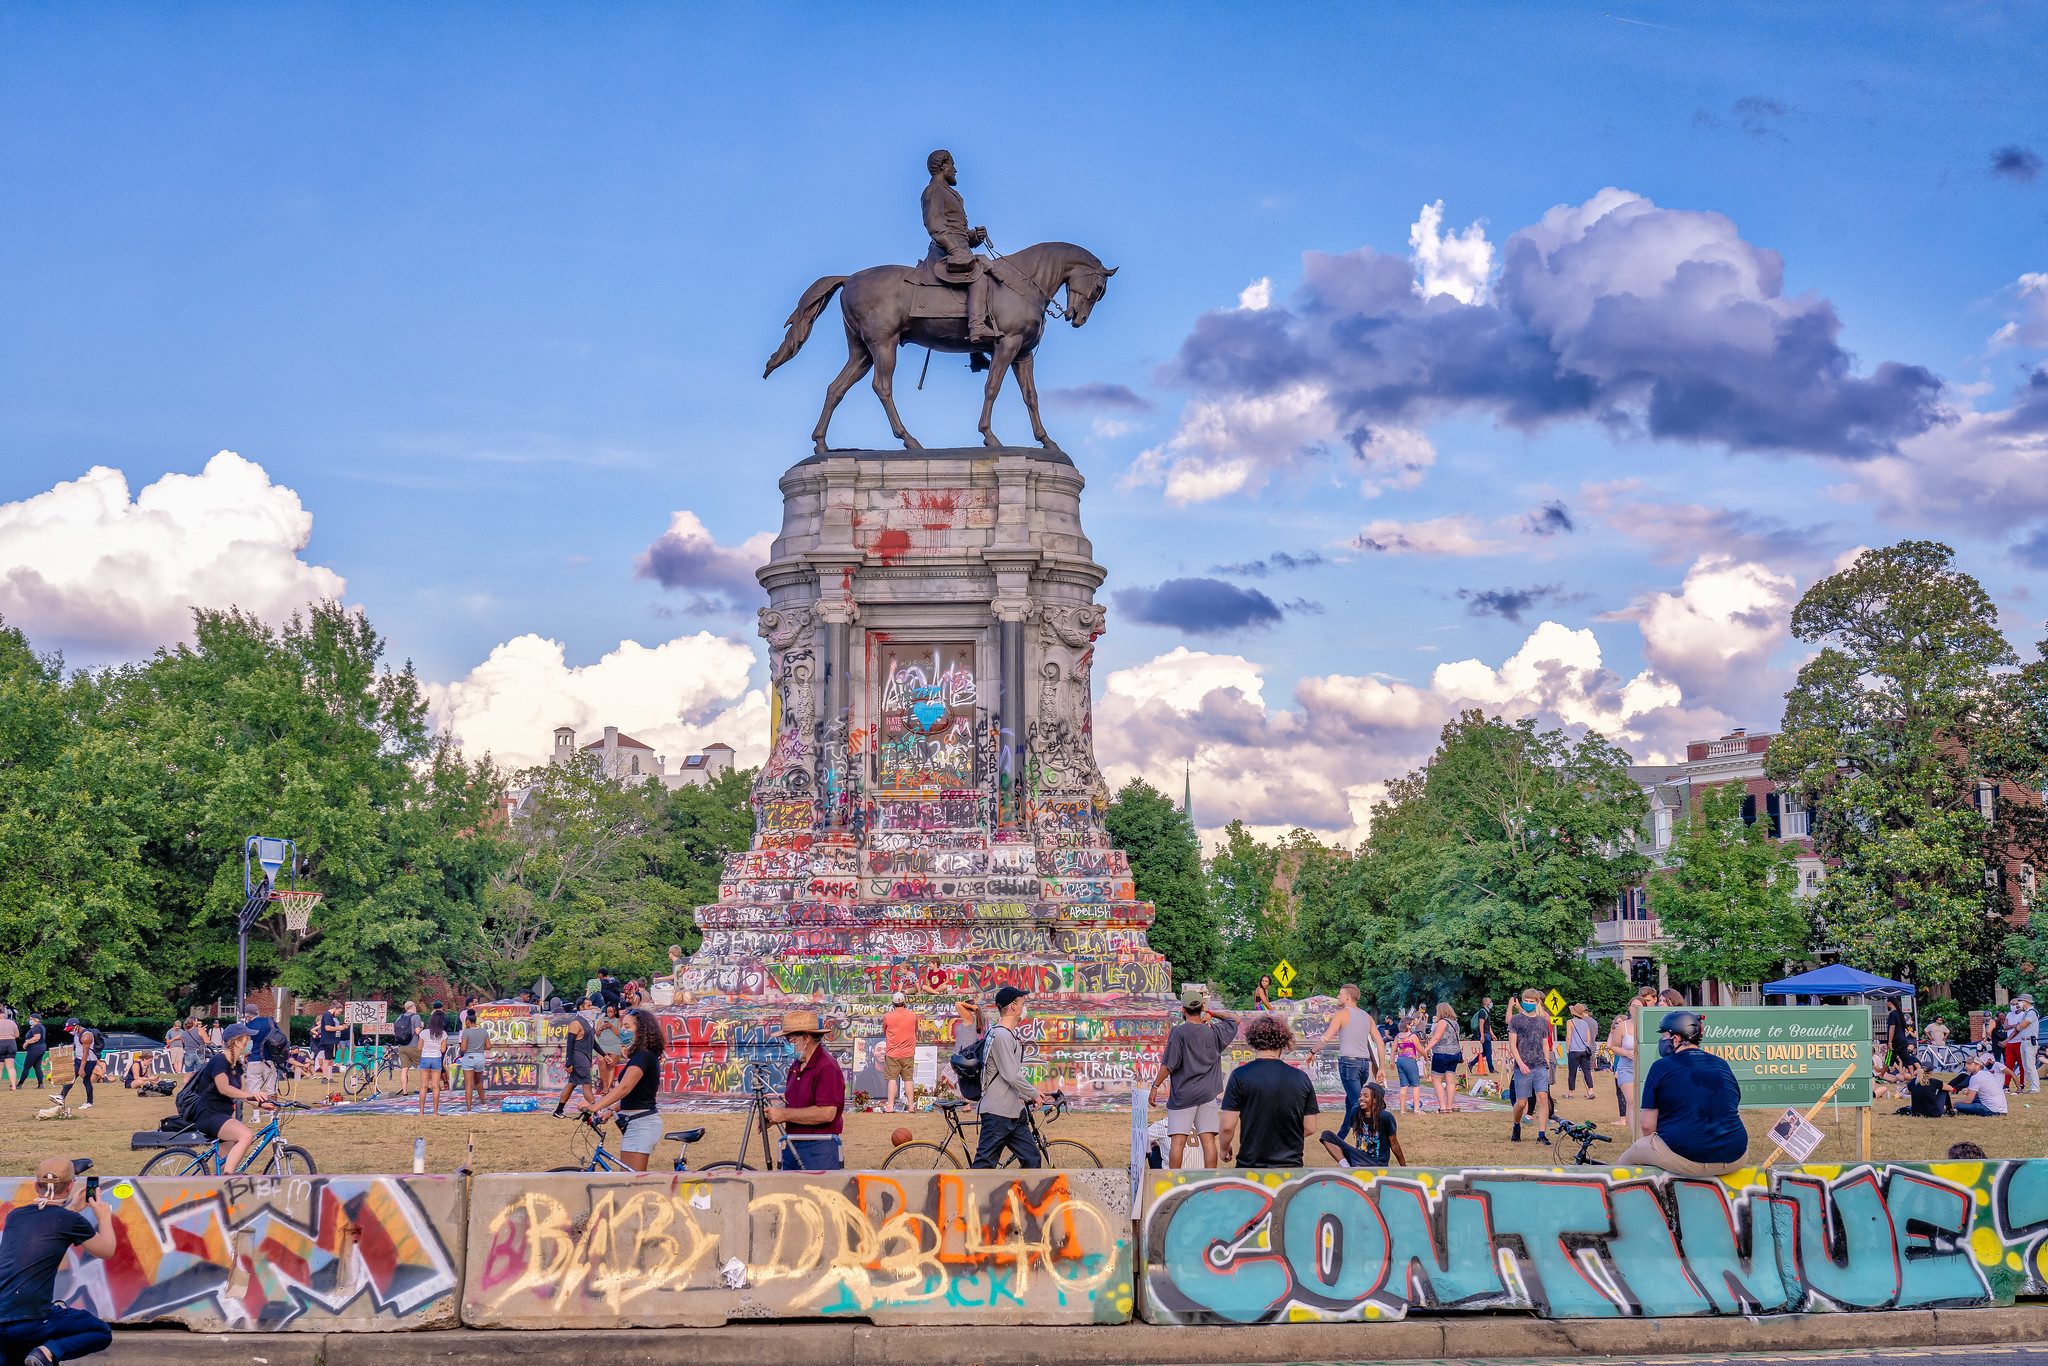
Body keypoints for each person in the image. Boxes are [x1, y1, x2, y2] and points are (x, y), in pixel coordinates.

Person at [0, 1157, 117, 1365]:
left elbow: (49, 1223)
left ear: (36, 1185)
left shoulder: (15, 1216)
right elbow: (107, 1250)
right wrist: (104, 1217)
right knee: (99, 1331)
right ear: (71, 1186)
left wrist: (70, 1209)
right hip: (33, 1321)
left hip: (3, 1320)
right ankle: (47, 1351)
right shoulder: (69, 1221)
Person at [1618, 1010, 1749, 1176]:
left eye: (1664, 1036)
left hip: (1687, 1158)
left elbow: (1647, 1126)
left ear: (1676, 1038)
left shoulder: (1661, 1066)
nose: (1662, 1041)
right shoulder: (1721, 1064)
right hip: (1736, 1156)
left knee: (1628, 1158)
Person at [1148, 985, 1240, 1169]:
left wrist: (1155, 1086)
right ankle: (1208, 1183)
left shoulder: (1179, 1032)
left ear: (1183, 1009)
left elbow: (1168, 1065)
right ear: (1201, 1008)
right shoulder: (1214, 1032)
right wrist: (1211, 1014)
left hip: (1183, 1095)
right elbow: (1235, 1019)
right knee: (1208, 1141)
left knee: (1178, 1142)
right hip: (1207, 1094)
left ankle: (1175, 1184)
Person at [920, 149, 1002, 342]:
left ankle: (975, 352)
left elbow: (960, 233)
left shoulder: (951, 193)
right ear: (943, 166)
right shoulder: (934, 190)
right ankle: (977, 328)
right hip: (944, 251)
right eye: (952, 165)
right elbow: (935, 224)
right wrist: (955, 249)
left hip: (958, 249)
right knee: (980, 276)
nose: (955, 170)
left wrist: (974, 236)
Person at [1219, 1014, 1318, 1168]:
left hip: (1250, 1166)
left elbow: (1227, 1126)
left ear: (1252, 1041)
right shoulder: (1301, 1078)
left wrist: (1224, 1148)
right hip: (1290, 1166)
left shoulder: (1239, 1075)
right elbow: (1310, 1127)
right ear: (1284, 1041)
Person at [181, 1023, 271, 1173]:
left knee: (224, 1165)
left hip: (223, 1117)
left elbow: (244, 1093)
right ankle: (228, 1179)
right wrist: (251, 1095)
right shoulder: (219, 1060)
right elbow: (224, 1088)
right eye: (247, 1038)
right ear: (236, 1041)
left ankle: (220, 1184)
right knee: (246, 1135)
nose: (250, 1042)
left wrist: (263, 1104)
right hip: (209, 1115)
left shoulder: (237, 1066)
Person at [973, 987, 1046, 1168]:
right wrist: (1034, 1093)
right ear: (1013, 1006)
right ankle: (968, 1196)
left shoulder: (1009, 1035)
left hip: (1014, 1112)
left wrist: (1025, 1095)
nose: (1024, 1005)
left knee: (1032, 1160)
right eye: (1022, 1002)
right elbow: (1010, 1074)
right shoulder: (1001, 1035)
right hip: (998, 1113)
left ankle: (1022, 1196)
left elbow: (1009, 1075)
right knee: (983, 1168)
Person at [587, 1009, 667, 1171]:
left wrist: (595, 1106)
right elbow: (633, 1093)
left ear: (641, 1031)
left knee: (632, 1185)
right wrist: (609, 1111)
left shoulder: (644, 1056)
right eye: (622, 1026)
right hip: (635, 1123)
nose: (622, 1030)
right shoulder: (640, 1055)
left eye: (627, 1026)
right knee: (627, 1181)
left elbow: (624, 1087)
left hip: (641, 1124)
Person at [765, 1010, 845, 1170]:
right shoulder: (796, 1066)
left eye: (790, 1039)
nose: (787, 1044)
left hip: (819, 1149)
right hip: (792, 1144)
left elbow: (827, 1113)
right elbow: (798, 1106)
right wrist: (774, 1116)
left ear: (807, 1037)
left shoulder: (827, 1066)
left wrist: (784, 1115)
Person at [1309, 985, 1380, 1143]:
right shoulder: (1366, 1016)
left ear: (1348, 997)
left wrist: (1312, 1051)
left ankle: (1365, 1139)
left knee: (1357, 1103)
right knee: (1351, 1101)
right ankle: (1340, 1137)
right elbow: (1379, 1042)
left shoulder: (1341, 1014)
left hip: (1349, 1063)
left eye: (1340, 994)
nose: (1338, 996)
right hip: (1364, 1064)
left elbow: (1325, 1038)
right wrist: (1380, 1067)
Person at [1319, 1079, 1406, 1168]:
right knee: (1326, 1135)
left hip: (1376, 1163)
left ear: (1375, 1099)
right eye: (1360, 1095)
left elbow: (1394, 1144)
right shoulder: (1356, 1113)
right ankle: (1346, 1167)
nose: (1361, 1098)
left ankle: (1356, 1168)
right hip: (1359, 1156)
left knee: (1360, 1166)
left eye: (1366, 1096)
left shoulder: (1385, 1117)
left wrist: (1404, 1168)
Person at [1508, 989, 1555, 1143]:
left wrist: (1547, 1066)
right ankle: (1516, 1125)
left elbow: (1545, 1046)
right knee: (1521, 1103)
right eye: (1526, 1001)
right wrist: (1520, 1064)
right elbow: (1513, 1045)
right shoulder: (1516, 1020)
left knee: (1542, 1098)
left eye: (1531, 1001)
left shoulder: (1542, 1022)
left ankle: (1541, 1134)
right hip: (1523, 1066)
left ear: (1537, 1003)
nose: (1528, 1003)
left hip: (1540, 1065)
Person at [550, 1012, 599, 1118]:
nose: (590, 1008)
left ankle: (558, 1111)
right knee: (587, 1084)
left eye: (590, 1005)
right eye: (587, 1006)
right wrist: (569, 1062)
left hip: (583, 1058)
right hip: (579, 1059)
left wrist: (604, 1054)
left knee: (572, 1084)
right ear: (581, 1007)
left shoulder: (589, 1022)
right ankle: (596, 1113)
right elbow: (570, 1044)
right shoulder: (576, 1022)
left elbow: (593, 1042)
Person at [880, 991, 920, 1113]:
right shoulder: (912, 1015)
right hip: (908, 1053)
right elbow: (916, 1028)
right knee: (908, 1080)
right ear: (904, 1002)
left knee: (892, 1079)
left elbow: (884, 1029)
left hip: (893, 1053)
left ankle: (890, 1106)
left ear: (893, 1003)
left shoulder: (888, 1016)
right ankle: (911, 1107)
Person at [1425, 1004, 1462, 1116]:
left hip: (1442, 1053)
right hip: (1455, 1054)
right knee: (1450, 1081)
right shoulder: (1455, 1023)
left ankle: (1442, 1107)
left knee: (1437, 1080)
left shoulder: (1442, 1022)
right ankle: (1449, 1107)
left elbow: (1436, 1038)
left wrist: (1426, 1049)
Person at [457, 1009, 497, 1113]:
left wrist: (469, 1047)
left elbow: (463, 1049)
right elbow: (488, 1046)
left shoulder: (466, 1032)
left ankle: (469, 1110)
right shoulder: (483, 1031)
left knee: (469, 1084)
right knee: (478, 1081)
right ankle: (484, 1104)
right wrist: (479, 1047)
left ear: (468, 1022)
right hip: (480, 1057)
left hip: (469, 1058)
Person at [56, 1022, 95, 1111]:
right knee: (71, 1078)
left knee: (86, 1081)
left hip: (88, 1061)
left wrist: (81, 1068)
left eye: (71, 1029)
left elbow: (86, 1053)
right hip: (79, 1059)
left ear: (76, 1026)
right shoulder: (77, 1034)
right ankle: (62, 1096)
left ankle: (89, 1102)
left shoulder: (86, 1036)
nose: (70, 1031)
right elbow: (78, 1047)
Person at [417, 1009, 449, 1116]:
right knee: (436, 1086)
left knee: (423, 1086)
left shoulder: (424, 1033)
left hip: (425, 1058)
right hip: (436, 1059)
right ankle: (435, 1112)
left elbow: (419, 1047)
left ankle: (421, 1112)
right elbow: (443, 1050)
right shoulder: (443, 1034)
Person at [1607, 1011, 1637, 1126]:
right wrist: (1612, 1032)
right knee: (1621, 1093)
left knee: (1626, 1096)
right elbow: (1610, 1046)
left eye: (1620, 1022)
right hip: (1620, 1064)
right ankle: (1622, 1118)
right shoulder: (1618, 1032)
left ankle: (1623, 1119)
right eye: (1616, 1022)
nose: (1618, 1024)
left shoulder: (1630, 1032)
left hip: (1624, 1063)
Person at [1566, 1003, 1598, 1100]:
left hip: (1574, 1050)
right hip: (1584, 1051)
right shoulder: (1585, 1023)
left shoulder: (1570, 1022)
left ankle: (1571, 1093)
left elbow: (1568, 1037)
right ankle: (1590, 1091)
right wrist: (1586, 1046)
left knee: (1572, 1072)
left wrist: (1567, 1049)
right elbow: (1588, 1038)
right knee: (1587, 1071)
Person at [1391, 1017, 1423, 1115]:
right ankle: (1417, 1109)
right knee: (1415, 1085)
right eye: (1412, 1024)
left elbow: (1393, 1050)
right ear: (1407, 1025)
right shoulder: (1412, 1036)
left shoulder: (1398, 1036)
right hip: (1410, 1060)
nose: (1413, 1026)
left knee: (1404, 1086)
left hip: (1400, 1060)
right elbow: (1420, 1049)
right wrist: (1426, 1056)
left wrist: (1392, 1061)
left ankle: (1402, 1110)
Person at [390, 1000, 423, 1090]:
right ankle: (424, 1087)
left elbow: (394, 1033)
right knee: (422, 1065)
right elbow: (417, 1031)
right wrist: (422, 1026)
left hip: (401, 1046)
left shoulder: (399, 1017)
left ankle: (404, 1091)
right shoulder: (416, 1017)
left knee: (404, 1069)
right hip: (413, 1046)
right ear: (413, 1007)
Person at [2014, 995, 2040, 1093]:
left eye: (2021, 1001)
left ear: (2026, 1002)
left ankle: (2035, 1087)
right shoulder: (2026, 1013)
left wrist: (2020, 1026)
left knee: (2030, 1065)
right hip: (2024, 1040)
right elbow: (2019, 1027)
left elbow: (2022, 1025)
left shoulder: (2032, 1012)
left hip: (2030, 1041)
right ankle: (2033, 1086)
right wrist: (2020, 1026)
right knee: (2025, 1065)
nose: (2019, 1003)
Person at [313, 1002, 343, 1080]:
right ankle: (325, 1077)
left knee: (331, 1060)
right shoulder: (327, 1015)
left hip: (334, 1040)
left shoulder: (333, 1017)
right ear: (334, 1009)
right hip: (328, 1040)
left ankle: (330, 1077)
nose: (339, 1013)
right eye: (338, 1011)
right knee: (327, 1059)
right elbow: (327, 1028)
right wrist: (338, 1028)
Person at [16, 1016, 45, 1091]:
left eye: (31, 1019)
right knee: (37, 1066)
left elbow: (37, 1037)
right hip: (41, 1048)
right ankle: (40, 1084)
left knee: (26, 1067)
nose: (30, 1020)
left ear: (36, 1020)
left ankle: (19, 1084)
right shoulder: (41, 1027)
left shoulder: (36, 1027)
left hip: (34, 1049)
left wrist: (27, 1042)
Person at [1469, 998, 1495, 1075]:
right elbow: (1481, 1024)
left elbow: (1488, 1025)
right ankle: (1491, 1069)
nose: (1491, 1003)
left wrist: (1492, 1034)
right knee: (1488, 1052)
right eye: (1490, 1002)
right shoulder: (1482, 1012)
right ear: (1485, 1003)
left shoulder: (1487, 1011)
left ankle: (1471, 1064)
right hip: (1485, 1034)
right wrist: (1482, 1036)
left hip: (1487, 1034)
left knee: (1485, 1052)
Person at [1885, 1000, 1911, 1070]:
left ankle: (1881, 1075)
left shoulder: (1892, 1014)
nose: (1886, 1006)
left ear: (1889, 1003)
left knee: (1888, 1059)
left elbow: (1892, 1028)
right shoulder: (1900, 1014)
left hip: (1895, 1041)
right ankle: (1912, 1075)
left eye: (1886, 1004)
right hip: (1903, 1041)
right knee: (1907, 1060)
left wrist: (1890, 1042)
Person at [0, 1013, 17, 1090]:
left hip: (0, 1043)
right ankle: (13, 1086)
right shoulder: (12, 1022)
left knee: (0, 1068)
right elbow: (17, 1035)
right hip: (11, 1044)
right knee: (10, 1067)